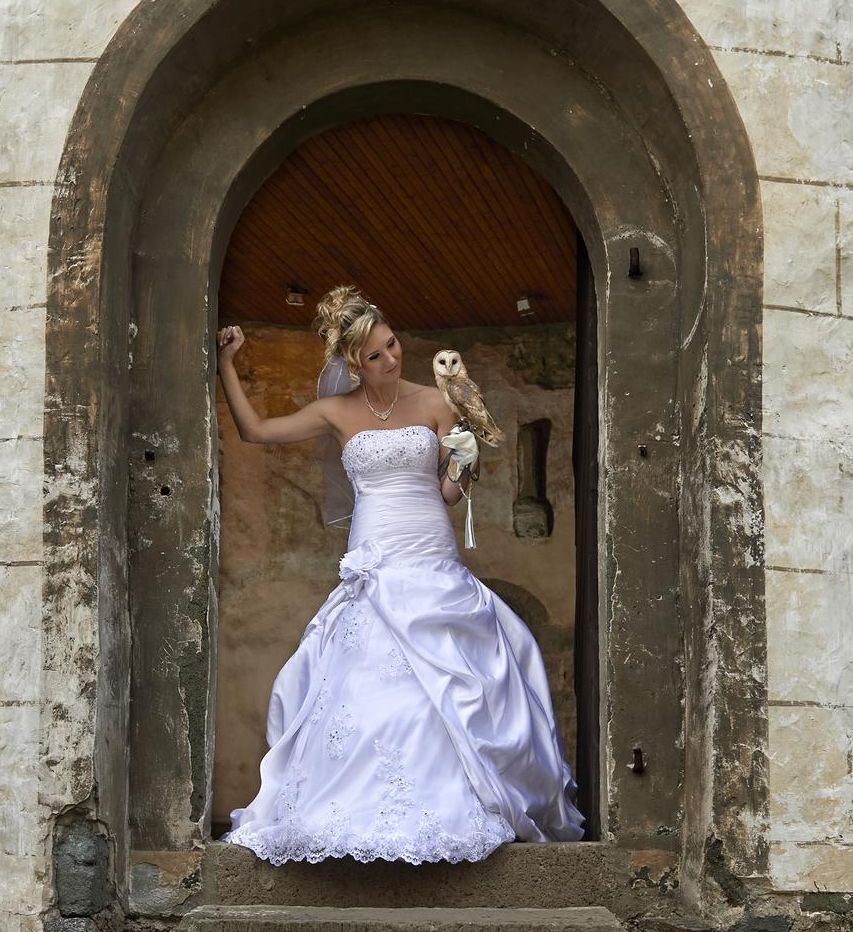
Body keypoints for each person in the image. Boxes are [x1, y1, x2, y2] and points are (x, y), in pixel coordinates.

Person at [214, 284, 585, 865]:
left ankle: (459, 804)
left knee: (449, 683)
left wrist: (465, 462)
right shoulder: (335, 411)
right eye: (375, 355)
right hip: (375, 555)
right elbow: (255, 431)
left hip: (430, 551)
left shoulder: (436, 401)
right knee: (363, 685)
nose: (391, 359)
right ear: (352, 365)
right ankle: (355, 811)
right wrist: (225, 365)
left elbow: (449, 493)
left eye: (392, 345)